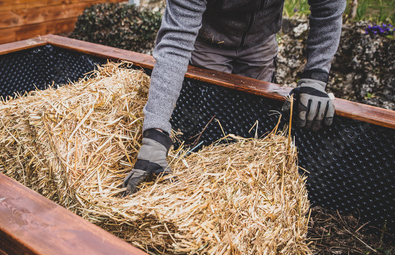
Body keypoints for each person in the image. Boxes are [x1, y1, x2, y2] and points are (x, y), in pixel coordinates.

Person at [123, 0, 346, 194]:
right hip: (208, 41)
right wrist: (156, 133)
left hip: (260, 42)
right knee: (206, 123)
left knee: (253, 125)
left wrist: (315, 77)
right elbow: (174, 47)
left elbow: (328, 7)